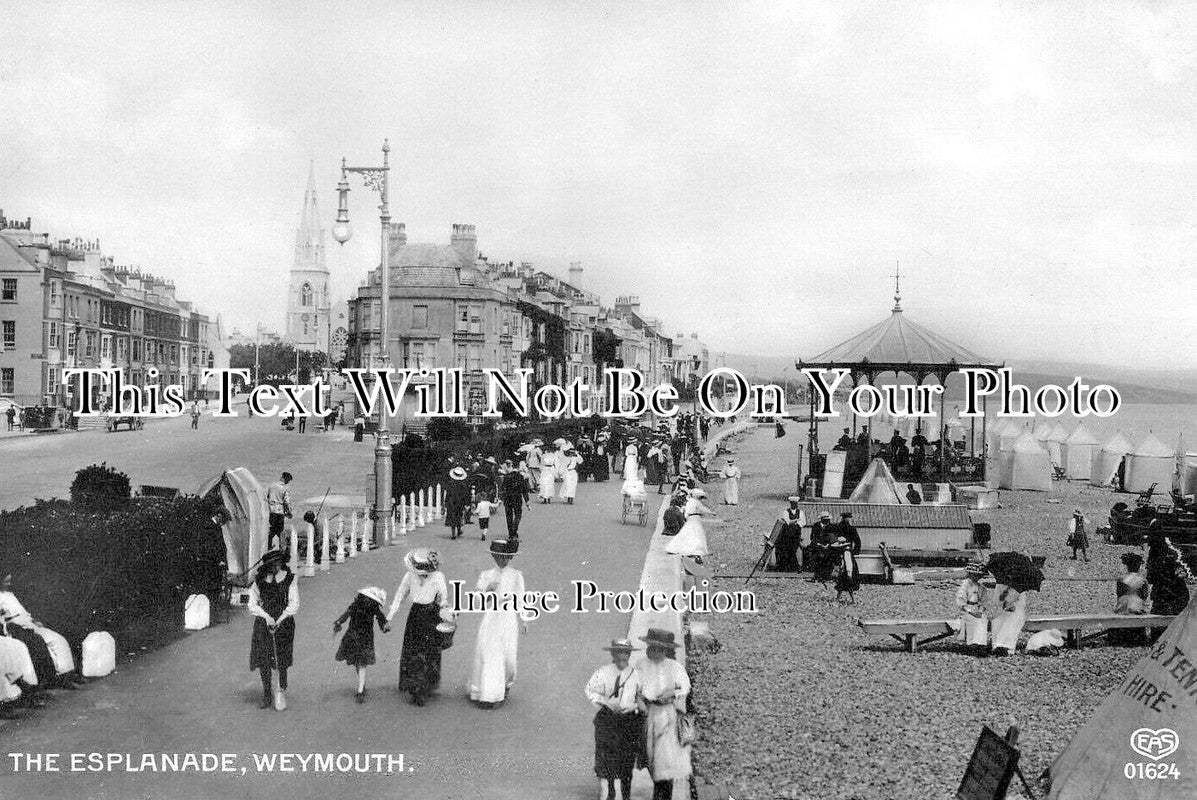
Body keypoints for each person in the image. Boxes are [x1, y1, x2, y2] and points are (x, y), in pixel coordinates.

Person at [634, 628, 691, 800]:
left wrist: (672, 693)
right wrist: (639, 701)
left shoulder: (674, 667)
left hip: (667, 715)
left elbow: (685, 687)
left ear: (666, 650)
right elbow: (635, 688)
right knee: (651, 758)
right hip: (649, 714)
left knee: (665, 758)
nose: (656, 652)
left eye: (660, 649)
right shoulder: (641, 664)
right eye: (653, 648)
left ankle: (662, 795)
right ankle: (659, 790)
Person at [387, 549, 449, 706]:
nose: (423, 574)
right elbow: (400, 595)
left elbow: (443, 598)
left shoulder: (438, 577)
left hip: (432, 615)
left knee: (429, 651)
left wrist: (447, 615)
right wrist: (389, 616)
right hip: (416, 615)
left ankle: (426, 686)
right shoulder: (409, 576)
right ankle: (416, 688)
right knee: (414, 651)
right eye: (420, 572)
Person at [469, 539, 526, 707]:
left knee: (509, 659)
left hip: (508, 618)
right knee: (490, 654)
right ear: (494, 556)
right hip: (491, 618)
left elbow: (521, 599)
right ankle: (489, 695)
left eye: (506, 557)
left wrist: (524, 618)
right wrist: (487, 591)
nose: (503, 560)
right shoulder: (486, 575)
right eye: (499, 556)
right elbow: (476, 603)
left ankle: (507, 684)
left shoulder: (516, 575)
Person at [585, 638, 643, 800]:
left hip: (628, 721)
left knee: (627, 758)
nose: (621, 658)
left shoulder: (636, 674)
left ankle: (626, 794)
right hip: (608, 720)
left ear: (630, 655)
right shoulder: (603, 672)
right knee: (608, 757)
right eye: (618, 654)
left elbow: (641, 697)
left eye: (625, 654)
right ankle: (610, 790)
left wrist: (633, 707)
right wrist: (607, 703)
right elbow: (591, 691)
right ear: (612, 654)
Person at [0, 574, 80, 692]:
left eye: (9, 581)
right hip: (13, 626)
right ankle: (50, 679)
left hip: (28, 622)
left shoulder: (11, 594)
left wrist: (34, 621)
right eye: (6, 582)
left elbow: (23, 612)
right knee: (38, 642)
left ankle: (66, 676)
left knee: (58, 639)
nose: (9, 584)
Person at [247, 549, 298, 709]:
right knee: (264, 658)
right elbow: (252, 604)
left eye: (276, 564)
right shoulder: (259, 580)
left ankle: (280, 687)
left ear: (281, 563)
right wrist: (267, 618)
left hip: (284, 623)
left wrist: (280, 619)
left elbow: (293, 604)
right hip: (264, 622)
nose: (274, 567)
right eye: (271, 565)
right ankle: (267, 694)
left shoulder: (290, 579)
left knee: (281, 658)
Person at [333, 586, 388, 703]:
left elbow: (346, 614)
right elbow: (381, 619)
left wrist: (339, 622)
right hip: (363, 637)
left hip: (354, 635)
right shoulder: (372, 606)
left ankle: (360, 689)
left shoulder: (357, 604)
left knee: (360, 663)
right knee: (360, 663)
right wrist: (384, 627)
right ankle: (361, 686)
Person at [1146, 522, 1190, 634]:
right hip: (1173, 592)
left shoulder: (1156, 551)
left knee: (1160, 620)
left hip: (1165, 592)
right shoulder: (1169, 551)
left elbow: (1151, 577)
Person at [1109, 552, 1150, 646]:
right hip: (1137, 604)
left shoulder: (1121, 579)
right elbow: (1144, 595)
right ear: (1138, 566)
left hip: (1123, 603)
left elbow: (1119, 594)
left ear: (1127, 566)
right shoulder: (1142, 580)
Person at [665, 489, 716, 558]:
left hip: (690, 518)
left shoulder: (689, 501)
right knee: (697, 532)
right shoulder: (696, 502)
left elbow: (687, 512)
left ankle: (676, 547)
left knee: (687, 531)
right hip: (695, 518)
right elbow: (703, 509)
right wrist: (712, 513)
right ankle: (696, 549)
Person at [955, 563, 990, 655]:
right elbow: (961, 601)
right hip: (967, 609)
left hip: (977, 608)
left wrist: (981, 610)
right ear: (970, 574)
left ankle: (981, 644)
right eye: (975, 575)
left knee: (983, 620)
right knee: (972, 620)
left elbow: (984, 601)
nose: (977, 577)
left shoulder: (981, 588)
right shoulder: (965, 585)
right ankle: (971, 644)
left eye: (978, 575)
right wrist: (970, 611)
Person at [990, 584, 1030, 656]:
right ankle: (998, 644)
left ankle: (1005, 645)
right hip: (1003, 599)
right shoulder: (1000, 585)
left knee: (1013, 620)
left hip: (1016, 601)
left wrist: (1010, 600)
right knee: (1000, 619)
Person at [499, 461, 530, 539]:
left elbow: (502, 488)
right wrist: (527, 502)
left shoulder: (506, 476)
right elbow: (524, 491)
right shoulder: (521, 477)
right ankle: (514, 529)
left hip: (508, 498)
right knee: (518, 514)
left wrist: (501, 498)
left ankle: (510, 533)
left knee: (509, 516)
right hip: (517, 498)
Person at [774, 497, 804, 572]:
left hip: (796, 534)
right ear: (791, 504)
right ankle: (787, 567)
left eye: (796, 503)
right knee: (786, 549)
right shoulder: (786, 512)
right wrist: (795, 521)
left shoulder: (801, 512)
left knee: (793, 549)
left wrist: (794, 522)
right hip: (787, 534)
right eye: (793, 503)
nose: (795, 505)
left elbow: (802, 522)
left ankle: (794, 567)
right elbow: (788, 522)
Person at [266, 472, 293, 551]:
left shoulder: (271, 486)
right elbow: (286, 502)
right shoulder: (285, 488)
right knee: (280, 531)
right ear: (285, 478)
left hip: (271, 511)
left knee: (271, 530)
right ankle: (282, 549)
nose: (288, 482)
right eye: (288, 480)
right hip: (280, 512)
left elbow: (266, 497)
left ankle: (268, 546)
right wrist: (289, 512)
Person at [808, 512, 836, 582]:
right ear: (821, 519)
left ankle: (827, 576)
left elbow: (834, 538)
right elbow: (812, 537)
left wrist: (828, 545)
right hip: (817, 545)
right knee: (816, 556)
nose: (827, 521)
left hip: (828, 546)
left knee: (829, 557)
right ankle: (816, 575)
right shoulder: (816, 526)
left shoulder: (832, 526)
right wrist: (819, 544)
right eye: (825, 519)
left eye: (828, 519)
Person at [444, 467, 471, 540]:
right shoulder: (464, 485)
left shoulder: (450, 483)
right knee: (459, 516)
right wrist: (467, 503)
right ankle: (459, 530)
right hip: (460, 502)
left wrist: (445, 503)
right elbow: (467, 495)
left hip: (451, 502)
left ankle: (453, 533)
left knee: (452, 517)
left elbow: (448, 494)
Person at [831, 536, 859, 604]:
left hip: (847, 571)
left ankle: (840, 599)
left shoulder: (846, 552)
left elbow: (848, 563)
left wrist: (849, 573)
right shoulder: (847, 551)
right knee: (846, 586)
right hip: (847, 570)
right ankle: (852, 600)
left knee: (843, 585)